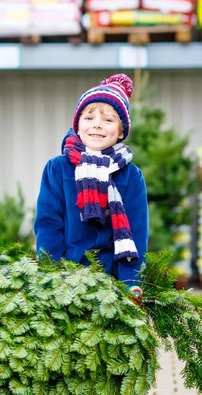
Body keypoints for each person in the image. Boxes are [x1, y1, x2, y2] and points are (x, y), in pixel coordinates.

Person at [34, 73, 149, 303]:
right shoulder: (58, 169)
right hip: (68, 277)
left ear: (121, 131)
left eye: (108, 120)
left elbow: (136, 232)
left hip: (112, 282)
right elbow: (48, 224)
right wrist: (52, 275)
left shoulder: (131, 175)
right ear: (77, 125)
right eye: (89, 118)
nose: (97, 124)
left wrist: (131, 284)